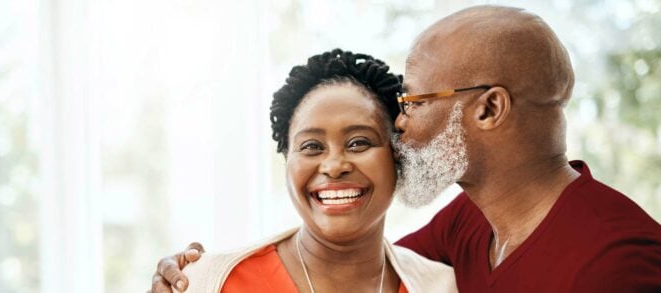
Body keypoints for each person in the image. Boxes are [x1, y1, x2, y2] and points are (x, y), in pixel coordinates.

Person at [152, 5, 661, 292]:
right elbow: (361, 260)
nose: (401, 123)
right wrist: (198, 273)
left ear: (487, 110)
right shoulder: (471, 224)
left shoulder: (616, 264)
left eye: (414, 100)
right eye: (310, 145)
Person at [163, 49, 457, 292]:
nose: (334, 166)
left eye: (358, 142)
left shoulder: (443, 287)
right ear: (287, 160)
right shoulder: (207, 282)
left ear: (397, 155)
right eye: (312, 146)